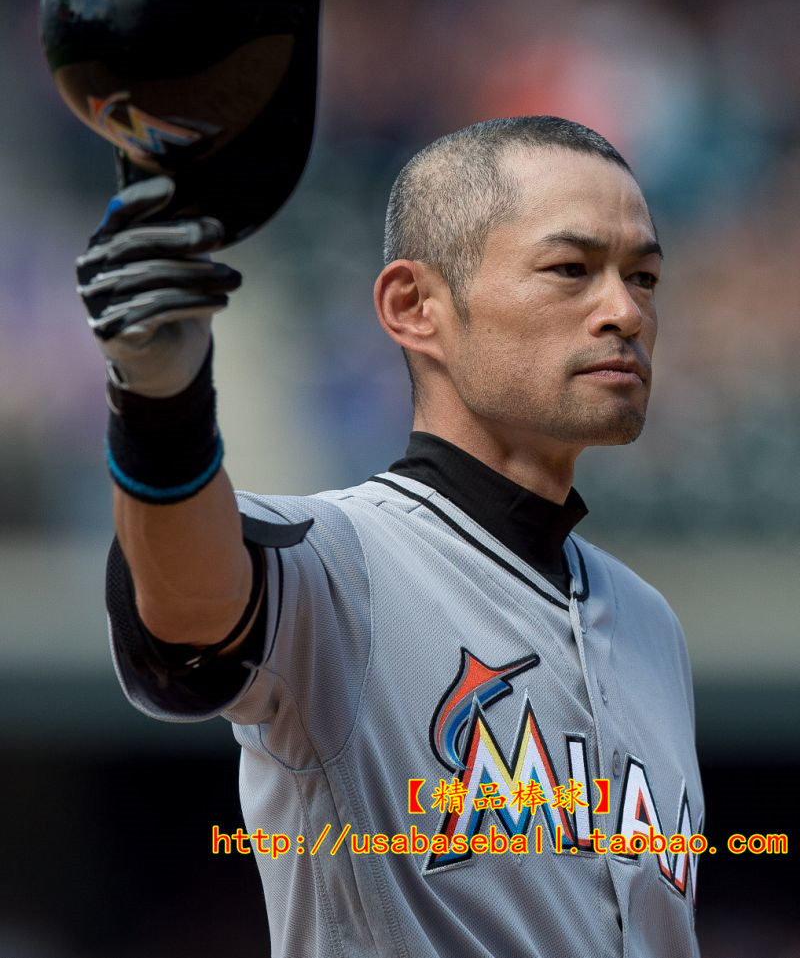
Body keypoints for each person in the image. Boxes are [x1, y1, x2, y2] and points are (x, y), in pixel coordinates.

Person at [77, 115, 703, 958]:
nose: (625, 311)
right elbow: (185, 608)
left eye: (644, 276)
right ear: (414, 306)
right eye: (571, 268)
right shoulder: (342, 563)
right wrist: (161, 402)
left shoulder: (650, 622)